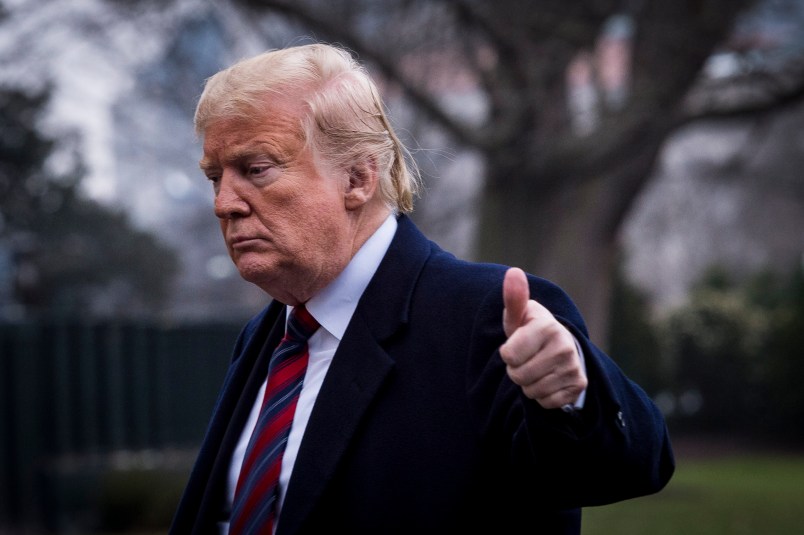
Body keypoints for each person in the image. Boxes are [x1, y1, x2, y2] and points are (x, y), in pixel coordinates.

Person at [170, 43, 674, 535]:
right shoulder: (270, 335)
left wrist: (572, 395)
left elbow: (630, 467)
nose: (224, 203)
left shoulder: (486, 317)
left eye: (255, 170)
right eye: (216, 177)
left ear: (358, 177)